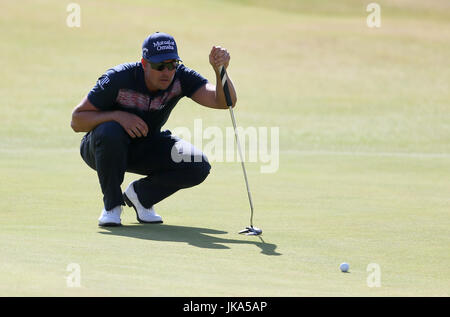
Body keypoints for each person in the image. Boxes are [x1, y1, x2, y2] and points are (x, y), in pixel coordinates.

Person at [71, 32, 237, 227]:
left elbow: (224, 102)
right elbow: (77, 120)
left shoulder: (181, 77)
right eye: (159, 66)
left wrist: (220, 71)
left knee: (197, 164)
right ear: (144, 63)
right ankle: (112, 207)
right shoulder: (118, 78)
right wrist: (117, 116)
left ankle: (141, 196)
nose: (166, 72)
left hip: (146, 145)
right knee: (110, 130)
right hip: (102, 148)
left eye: (172, 64)